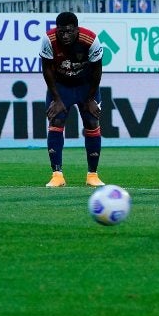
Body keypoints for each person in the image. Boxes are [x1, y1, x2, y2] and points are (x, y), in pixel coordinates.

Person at [40, 11, 106, 188]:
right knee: (57, 119)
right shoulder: (48, 40)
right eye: (61, 31)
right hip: (61, 86)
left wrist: (91, 98)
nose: (65, 35)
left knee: (92, 122)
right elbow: (46, 69)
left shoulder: (91, 40)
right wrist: (56, 98)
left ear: (77, 29)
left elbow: (97, 70)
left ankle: (92, 175)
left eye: (69, 31)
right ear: (57, 29)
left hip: (85, 86)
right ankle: (57, 175)